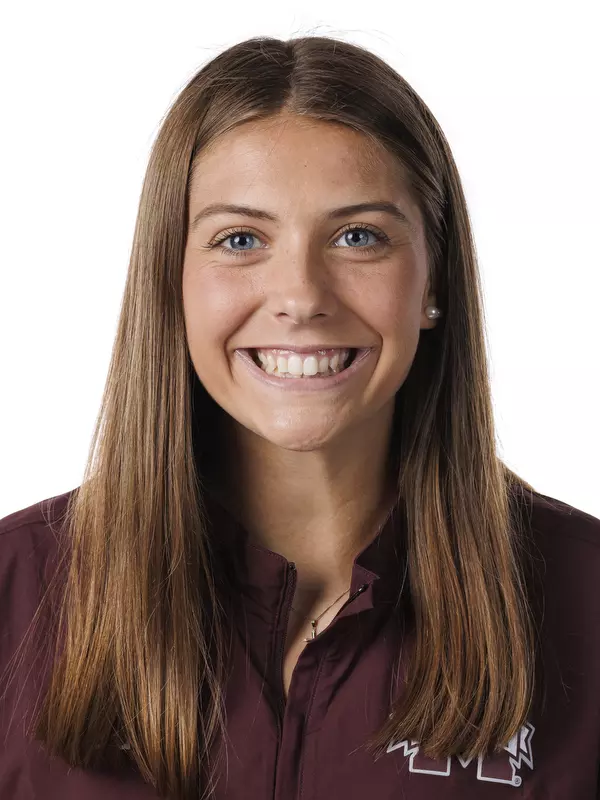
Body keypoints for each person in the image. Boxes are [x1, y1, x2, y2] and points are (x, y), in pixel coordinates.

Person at [1, 34, 599, 800]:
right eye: (240, 239)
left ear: (433, 282)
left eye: (359, 237)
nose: (301, 296)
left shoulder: (585, 598)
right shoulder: (15, 594)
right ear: (171, 278)